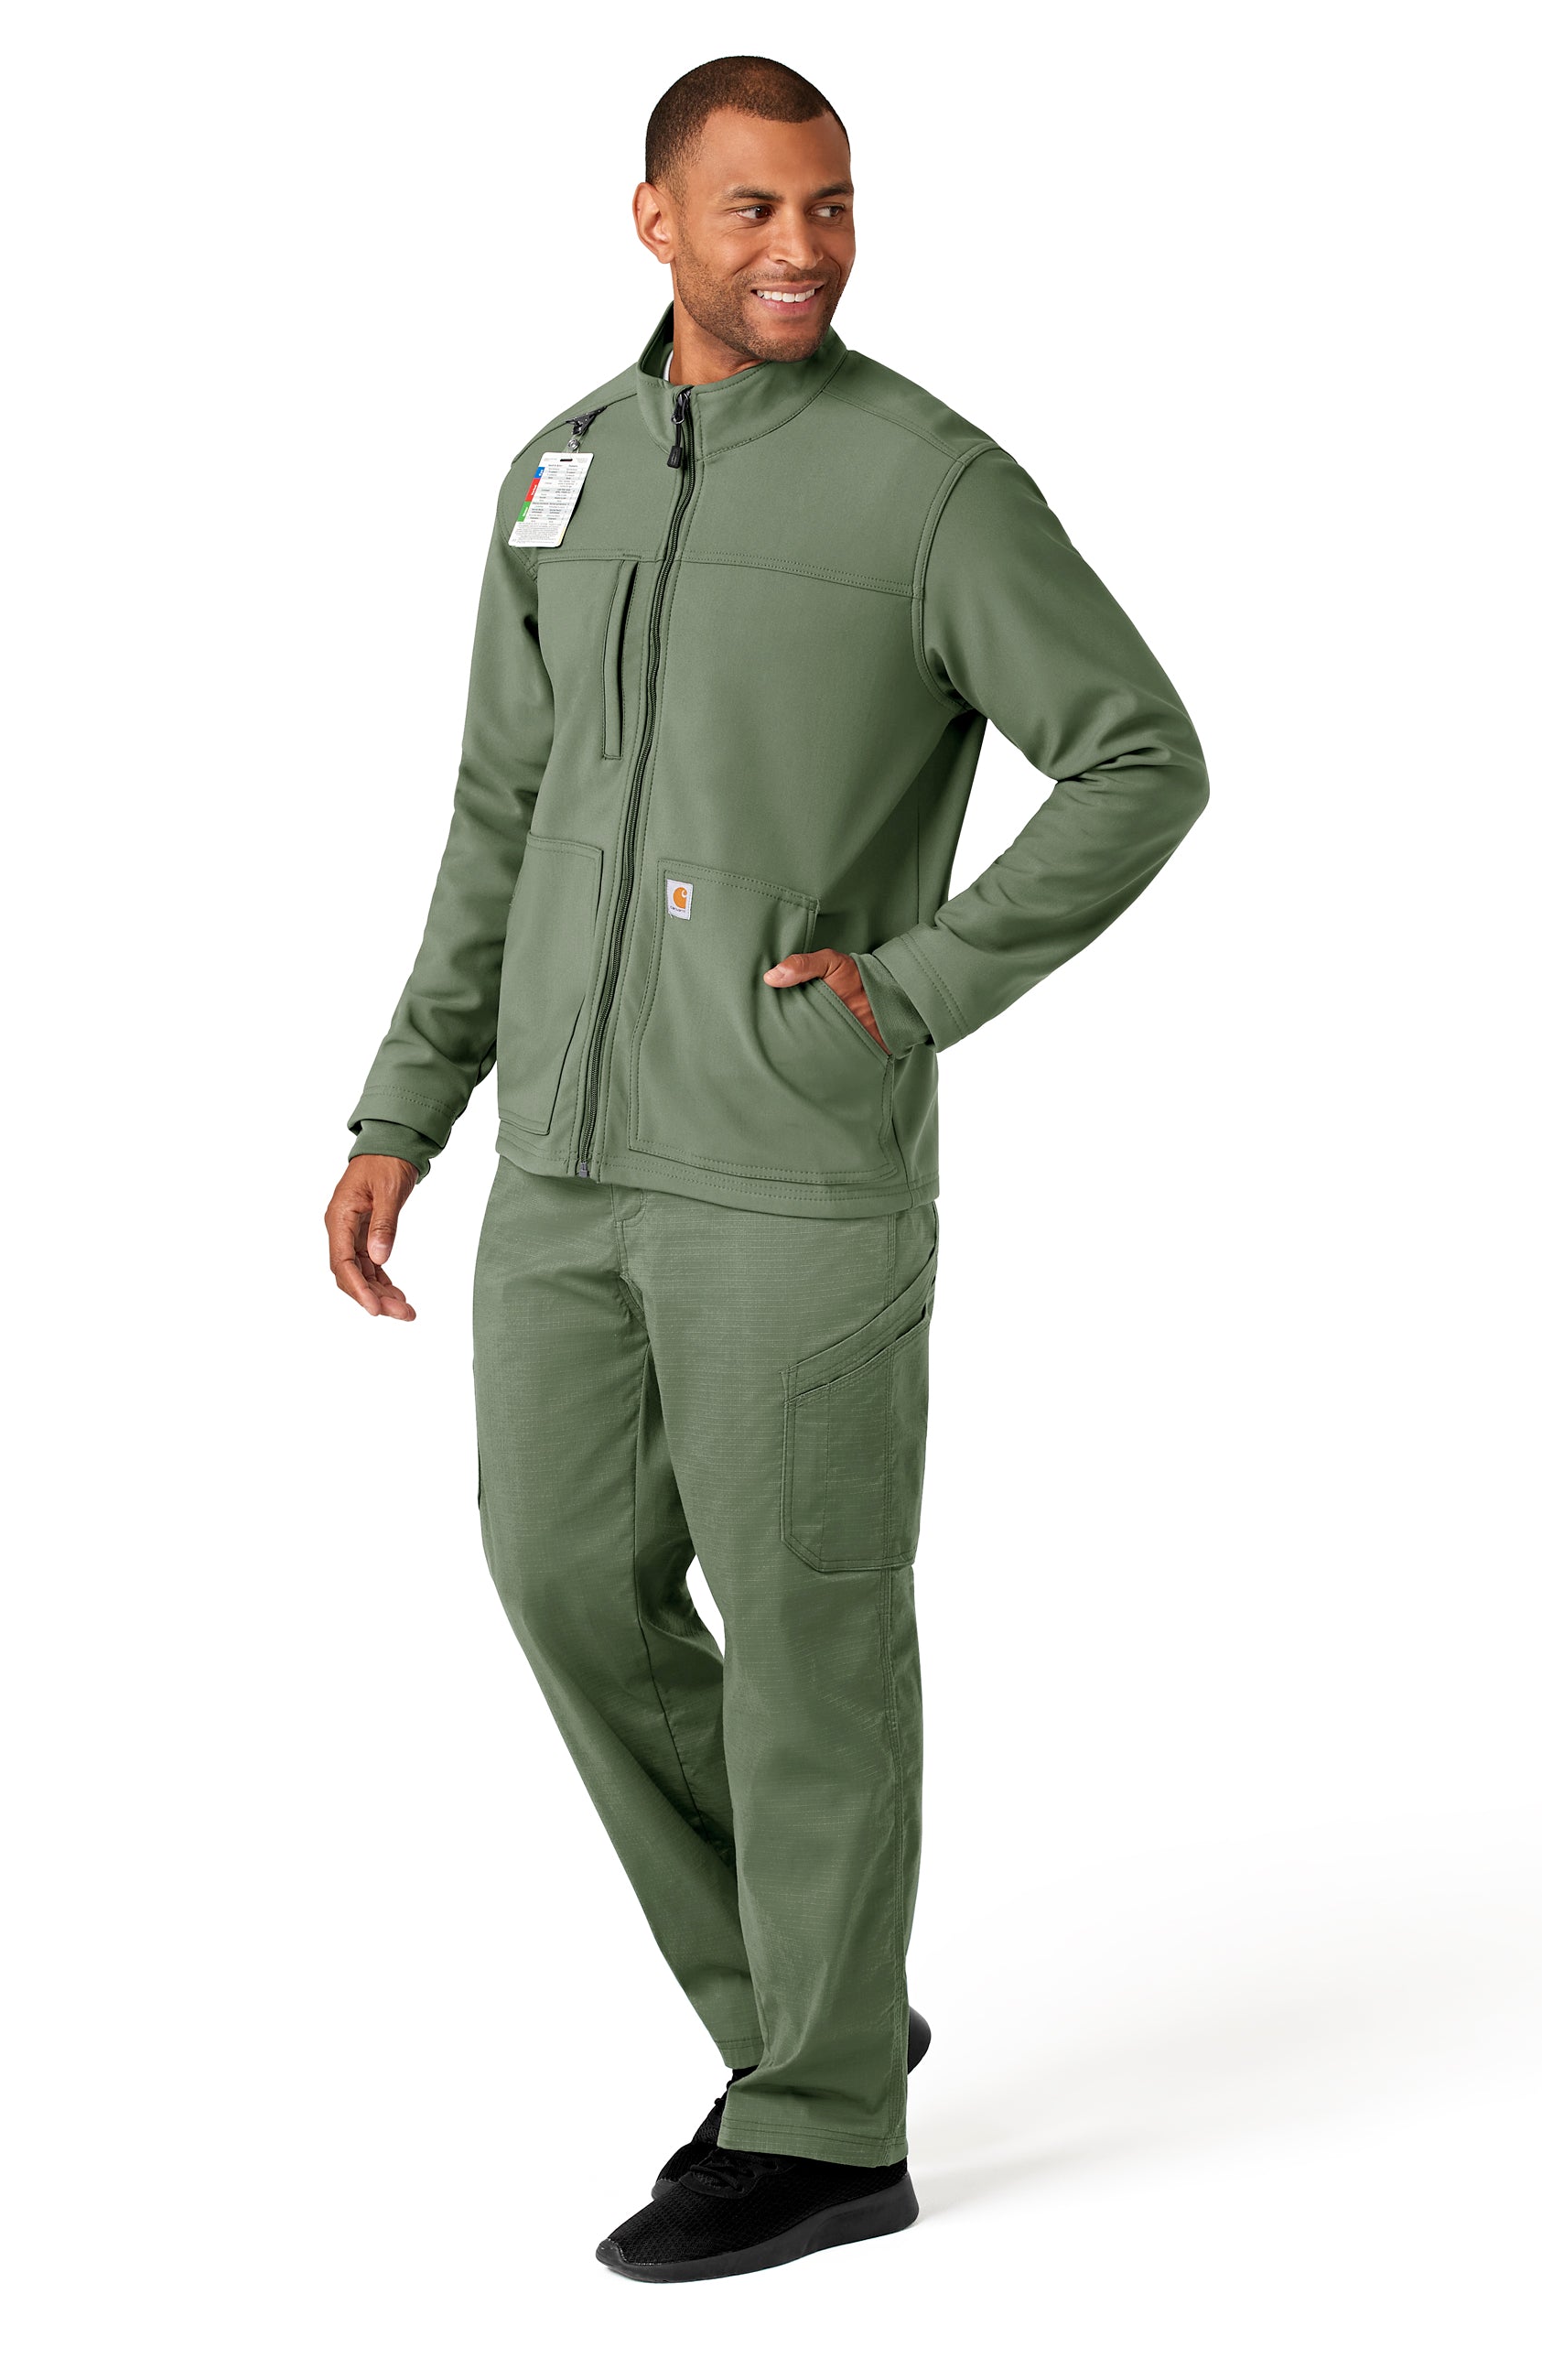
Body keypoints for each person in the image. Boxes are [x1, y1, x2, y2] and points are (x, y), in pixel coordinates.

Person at [324, 56, 1207, 2282]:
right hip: (568, 1156)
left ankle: (820, 2121)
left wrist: (906, 993)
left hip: (791, 1167)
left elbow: (1137, 754)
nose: (801, 246)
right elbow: (498, 814)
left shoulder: (929, 487)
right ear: (655, 222)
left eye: (830, 204)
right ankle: (819, 1995)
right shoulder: (557, 474)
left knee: (809, 1632)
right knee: (561, 1577)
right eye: (752, 209)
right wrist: (407, 1105)